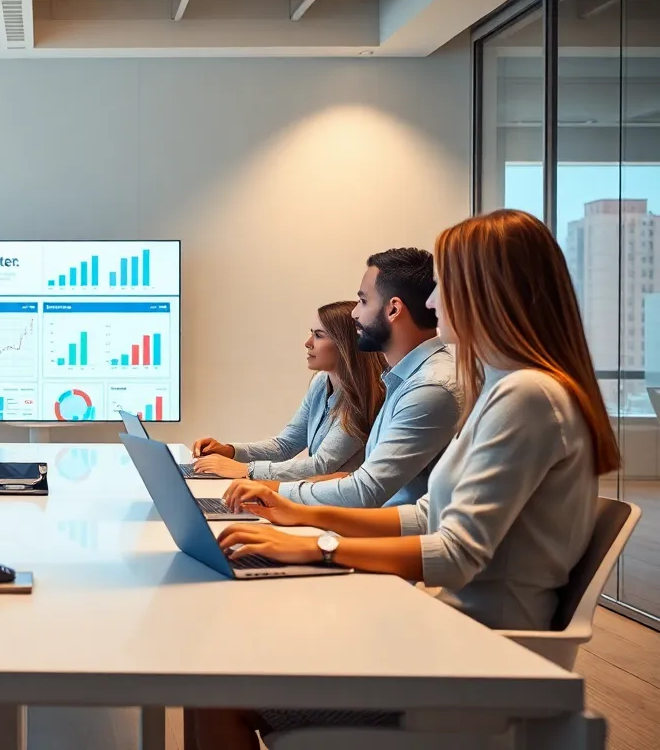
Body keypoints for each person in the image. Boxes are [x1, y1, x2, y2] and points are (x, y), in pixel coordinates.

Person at [192, 209, 620, 749]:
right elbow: (427, 515)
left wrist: (317, 547)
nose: (433, 303)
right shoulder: (506, 388)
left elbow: (455, 553)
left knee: (215, 683)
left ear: (484, 293)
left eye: (444, 287)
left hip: (471, 664)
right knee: (232, 656)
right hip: (445, 637)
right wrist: (300, 514)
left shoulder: (526, 395)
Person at [222, 248, 460, 508]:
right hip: (371, 523)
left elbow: (365, 492)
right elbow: (360, 482)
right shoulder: (403, 378)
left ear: (393, 310)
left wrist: (269, 488)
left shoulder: (429, 387)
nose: (355, 313)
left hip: (384, 528)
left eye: (363, 301)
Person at [190, 301, 386, 481]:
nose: (308, 343)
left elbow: (321, 466)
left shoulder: (364, 398)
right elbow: (285, 445)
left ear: (346, 344)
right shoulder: (320, 383)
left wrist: (247, 470)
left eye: (318, 335)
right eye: (311, 333)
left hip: (341, 503)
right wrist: (230, 451)